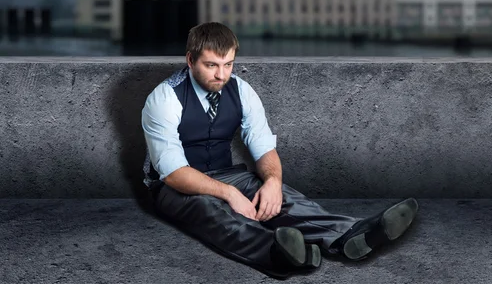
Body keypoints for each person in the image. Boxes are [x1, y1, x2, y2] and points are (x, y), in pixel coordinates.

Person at [142, 22, 418, 278]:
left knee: (282, 198)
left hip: (227, 173)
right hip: (173, 186)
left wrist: (273, 182)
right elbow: (174, 173)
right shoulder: (164, 98)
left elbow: (262, 146)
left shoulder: (242, 90)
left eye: (229, 65)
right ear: (190, 60)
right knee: (211, 209)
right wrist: (230, 194)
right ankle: (277, 253)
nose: (221, 75)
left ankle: (350, 236)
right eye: (211, 65)